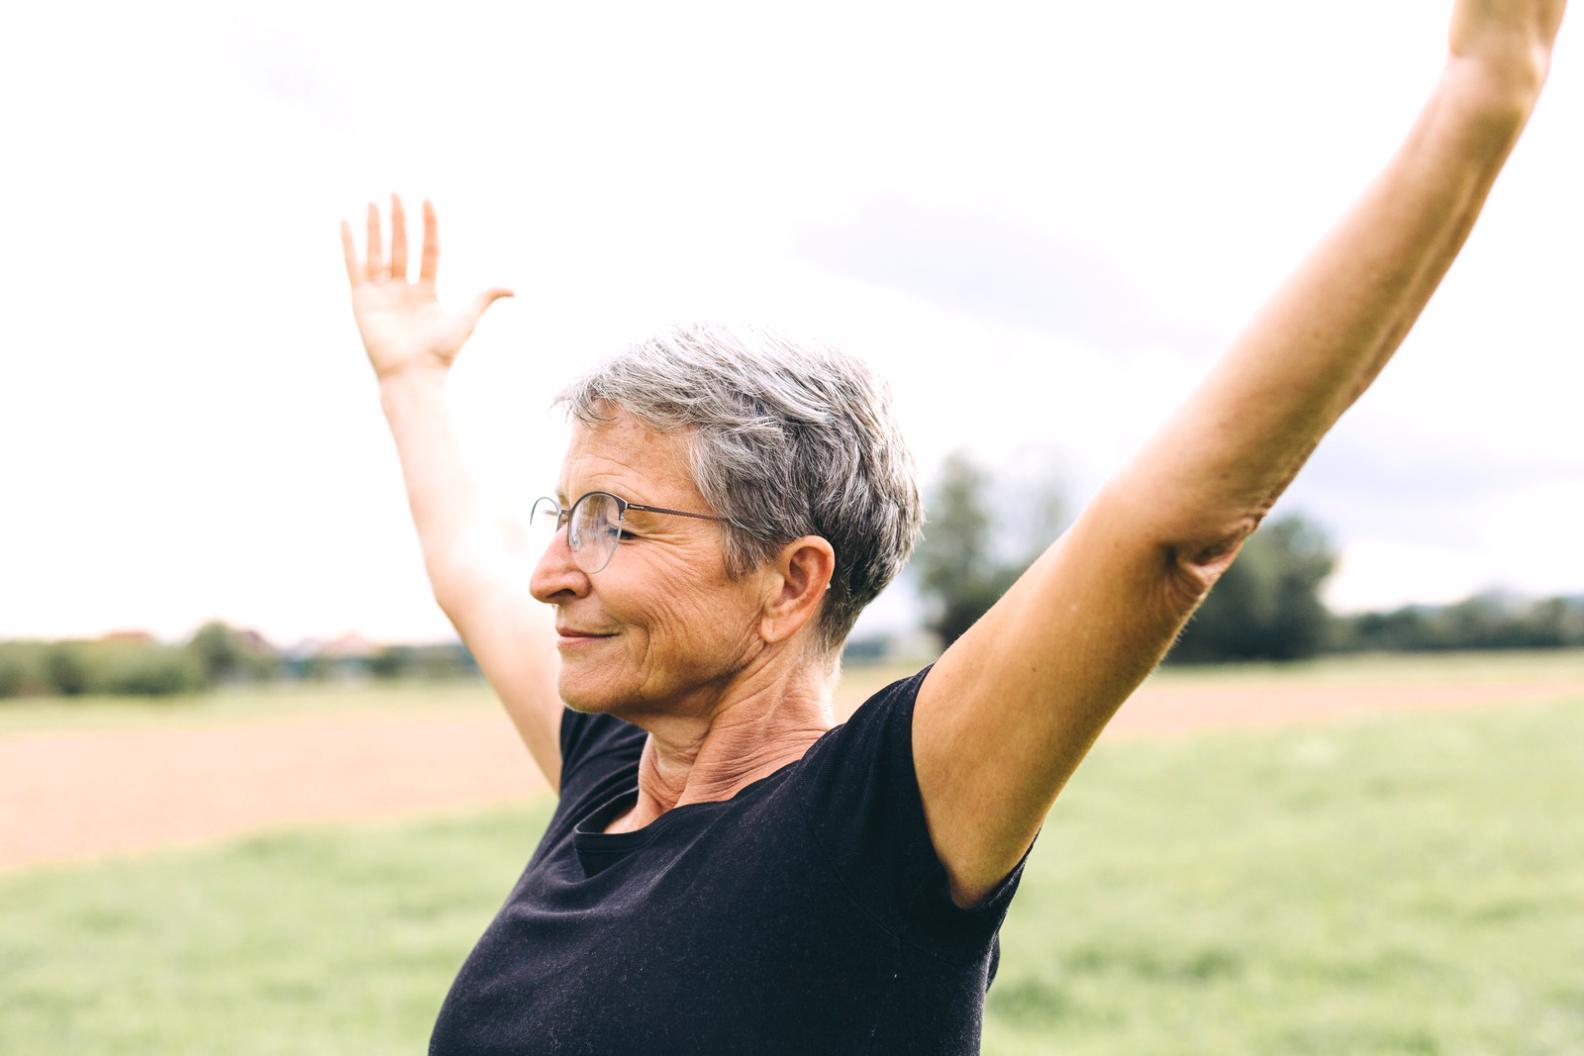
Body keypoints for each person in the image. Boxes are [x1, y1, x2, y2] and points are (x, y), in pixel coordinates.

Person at [338, 3, 1568, 1052]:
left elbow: (1168, 534)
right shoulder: (610, 772)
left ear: (789, 582)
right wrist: (410, 381)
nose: (555, 573)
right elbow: (470, 567)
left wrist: (1480, 99)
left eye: (615, 525)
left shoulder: (874, 826)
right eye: (564, 516)